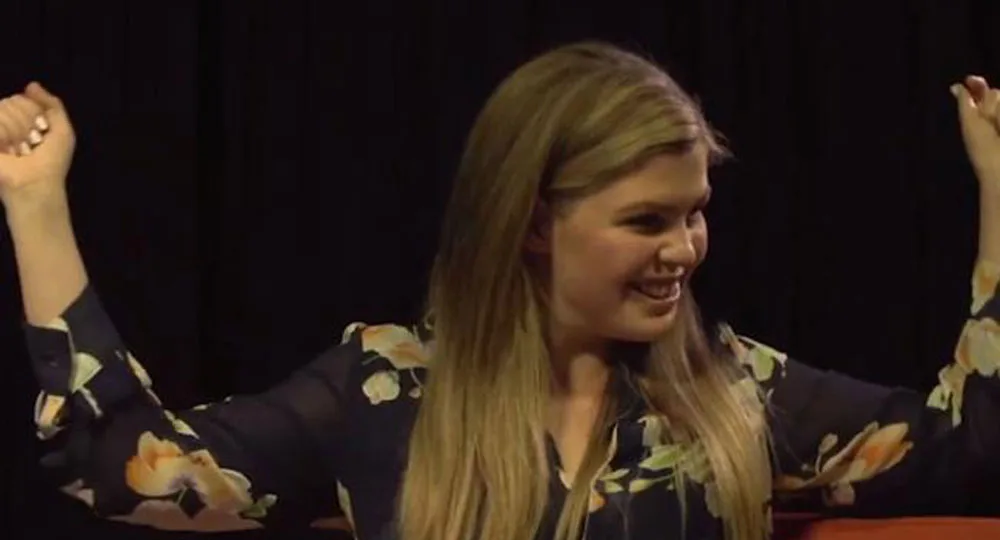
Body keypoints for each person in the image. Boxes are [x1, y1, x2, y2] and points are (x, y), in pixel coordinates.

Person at [1, 42, 997, 540]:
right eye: (645, 220)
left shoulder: (735, 392)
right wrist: (36, 204)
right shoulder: (383, 391)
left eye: (693, 213)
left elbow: (967, 447)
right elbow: (118, 464)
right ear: (532, 222)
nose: (684, 250)